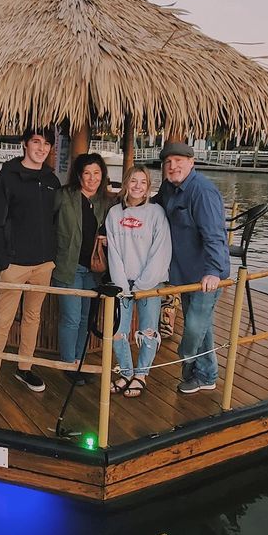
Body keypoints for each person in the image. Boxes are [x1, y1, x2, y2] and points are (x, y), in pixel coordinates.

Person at [0, 128, 61, 411]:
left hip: (44, 264)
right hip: (15, 265)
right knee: (2, 323)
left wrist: (52, 255)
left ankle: (24, 367)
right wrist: (3, 262)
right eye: (36, 142)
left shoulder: (52, 180)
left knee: (33, 318)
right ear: (24, 144)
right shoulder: (7, 177)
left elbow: (54, 221)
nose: (41, 148)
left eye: (46, 144)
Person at [155, 141, 230, 394]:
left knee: (195, 327)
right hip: (184, 273)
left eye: (178, 161)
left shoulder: (202, 191)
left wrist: (213, 271)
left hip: (204, 275)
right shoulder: (168, 187)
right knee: (202, 325)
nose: (172, 166)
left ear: (191, 162)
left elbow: (215, 235)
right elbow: (153, 206)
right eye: (168, 162)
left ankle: (187, 361)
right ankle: (205, 374)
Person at [105, 165, 172, 397]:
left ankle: (141, 374)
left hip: (150, 284)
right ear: (126, 183)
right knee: (118, 331)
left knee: (148, 331)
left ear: (148, 187)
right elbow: (113, 251)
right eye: (133, 181)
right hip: (122, 283)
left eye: (143, 182)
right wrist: (122, 283)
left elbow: (161, 251)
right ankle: (125, 372)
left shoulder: (156, 213)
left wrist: (144, 283)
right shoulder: (114, 214)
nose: (137, 186)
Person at [52, 153, 111, 385]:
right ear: (79, 175)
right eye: (87, 173)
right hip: (68, 267)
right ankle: (69, 363)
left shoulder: (106, 202)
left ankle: (79, 360)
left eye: (96, 173)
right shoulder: (64, 196)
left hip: (94, 270)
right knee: (72, 318)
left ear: (102, 175)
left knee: (87, 318)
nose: (92, 178)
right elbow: (46, 223)